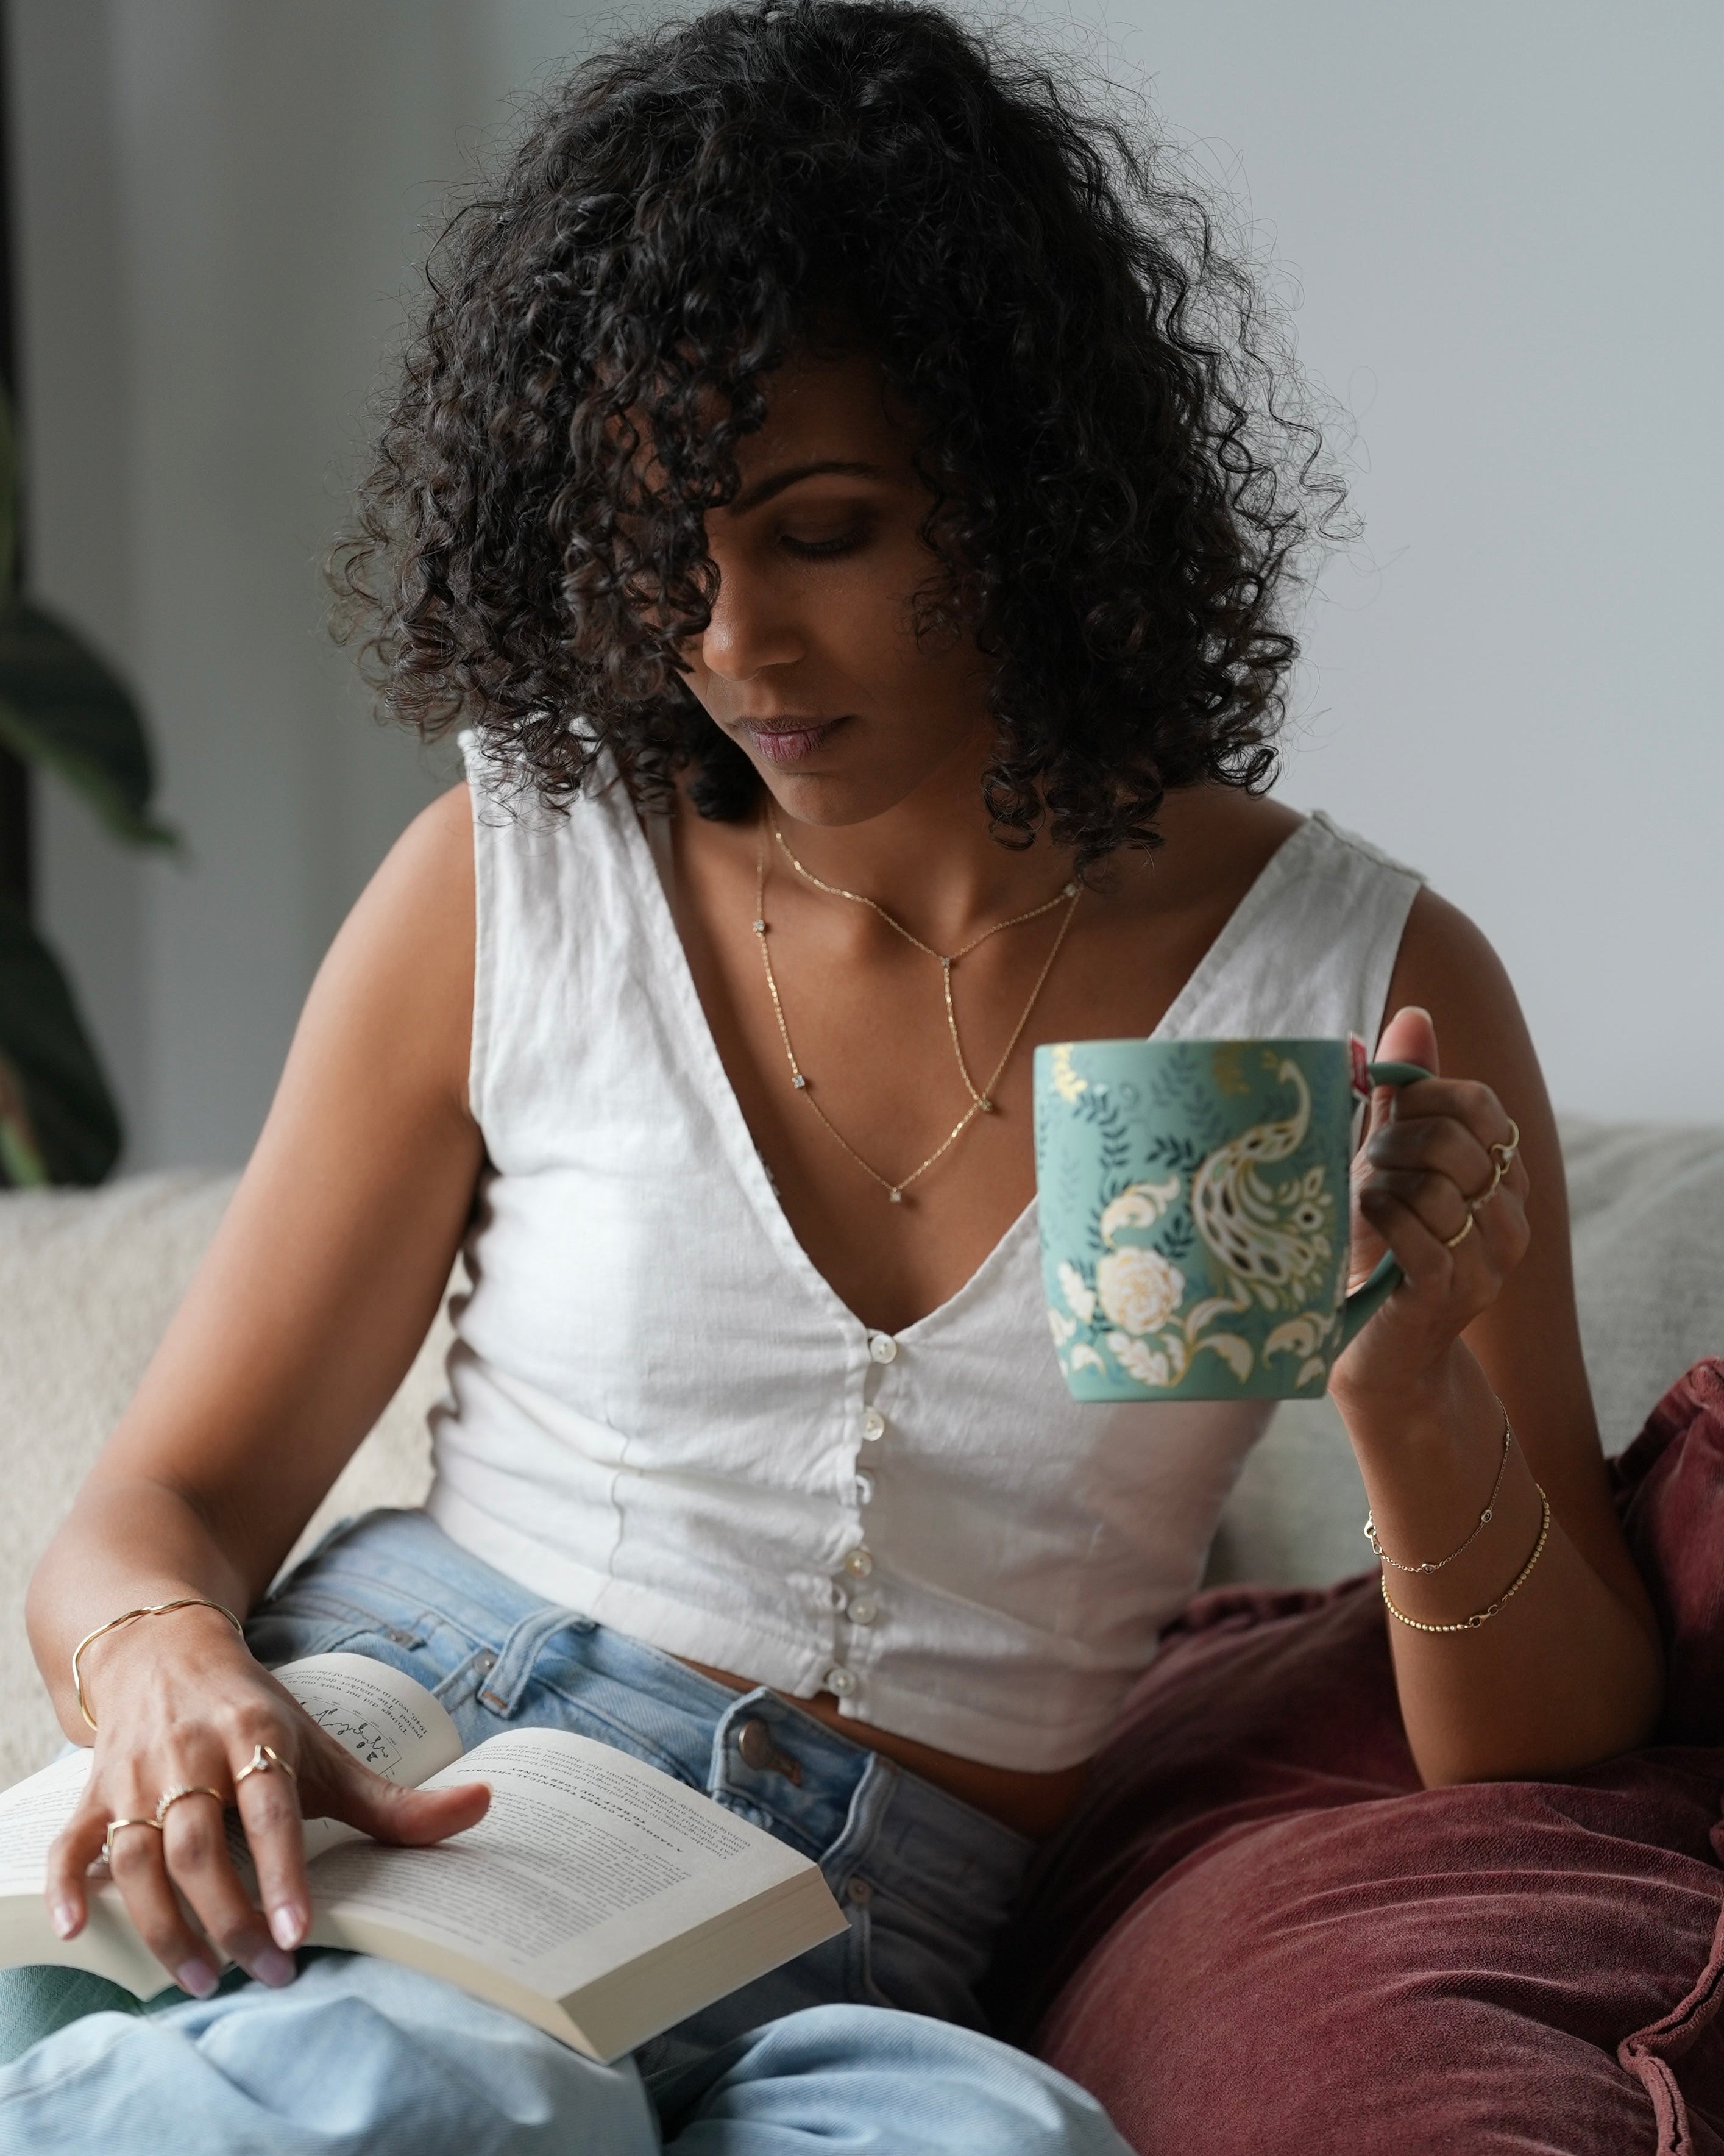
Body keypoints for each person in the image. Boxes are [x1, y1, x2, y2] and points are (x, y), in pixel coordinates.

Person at [0, 2, 1662, 2148]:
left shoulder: (1356, 978)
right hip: (445, 1783)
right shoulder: (519, 879)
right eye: (658, 541)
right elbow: (162, 1507)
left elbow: (1556, 1743)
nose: (727, 641)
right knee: (408, 2098)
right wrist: (163, 1661)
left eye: (821, 530)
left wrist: (1410, 1394)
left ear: (1027, 484)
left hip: (873, 1937)